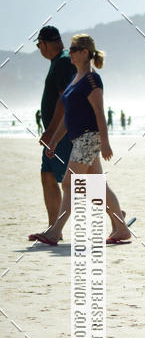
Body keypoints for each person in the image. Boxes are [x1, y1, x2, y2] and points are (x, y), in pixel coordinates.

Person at [29, 34, 131, 246]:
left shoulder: (92, 80)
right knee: (98, 186)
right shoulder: (76, 78)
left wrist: (105, 142)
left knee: (69, 182)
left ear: (85, 53)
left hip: (88, 137)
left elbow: (99, 112)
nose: (71, 52)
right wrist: (54, 140)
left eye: (74, 49)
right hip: (78, 138)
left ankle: (54, 231)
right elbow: (68, 116)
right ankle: (121, 228)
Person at [32, 26, 76, 232]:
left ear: (45, 43)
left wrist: (51, 132)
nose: (39, 49)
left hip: (64, 134)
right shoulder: (58, 62)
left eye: (39, 45)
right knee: (48, 174)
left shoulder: (63, 62)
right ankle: (53, 227)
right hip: (58, 133)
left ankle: (116, 215)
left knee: (79, 181)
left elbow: (64, 99)